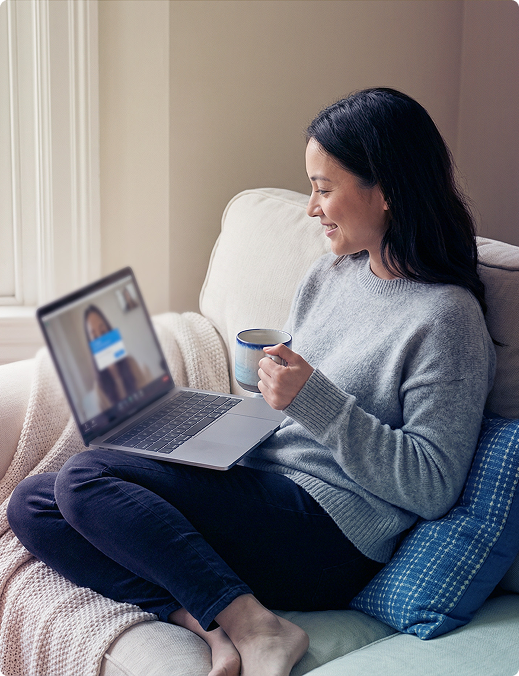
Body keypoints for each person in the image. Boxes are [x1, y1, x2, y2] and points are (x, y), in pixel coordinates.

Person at [7, 88, 496, 676]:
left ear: (387, 190)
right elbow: (285, 404)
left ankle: (258, 628)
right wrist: (211, 420)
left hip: (333, 534)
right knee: (33, 502)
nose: (311, 208)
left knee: (88, 477)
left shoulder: (447, 318)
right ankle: (204, 616)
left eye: (324, 188)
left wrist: (314, 400)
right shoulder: (330, 273)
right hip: (266, 478)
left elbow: (433, 485)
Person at [84, 305, 150, 413]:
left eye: (103, 332)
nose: (102, 340)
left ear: (110, 331)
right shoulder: (99, 390)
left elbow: (147, 402)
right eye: (95, 337)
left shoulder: (131, 363)